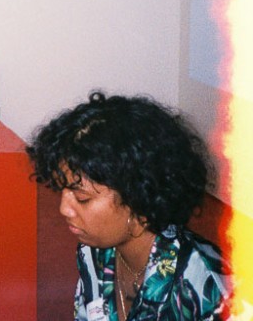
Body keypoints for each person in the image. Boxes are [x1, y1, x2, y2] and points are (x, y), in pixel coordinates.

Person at [26, 91, 232, 321]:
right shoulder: (94, 252)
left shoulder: (210, 287)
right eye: (61, 190)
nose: (64, 209)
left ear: (137, 200)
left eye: (82, 198)